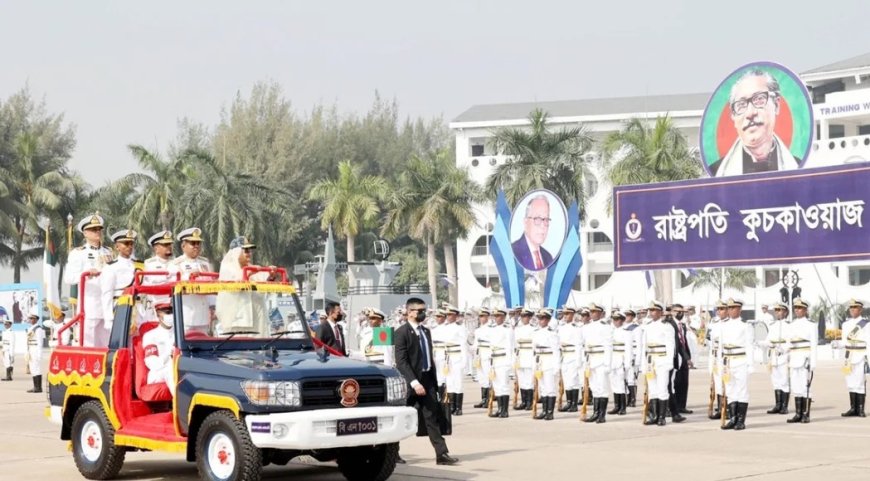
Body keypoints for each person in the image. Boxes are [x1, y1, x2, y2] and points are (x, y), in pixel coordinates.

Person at [394, 297, 458, 466]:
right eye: (420, 310)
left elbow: (428, 357)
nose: (423, 313)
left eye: (424, 310)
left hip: (428, 380)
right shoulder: (401, 332)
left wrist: (435, 382)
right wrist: (414, 383)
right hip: (411, 384)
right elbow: (401, 361)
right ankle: (393, 453)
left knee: (432, 417)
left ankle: (441, 454)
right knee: (401, 419)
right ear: (410, 312)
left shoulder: (426, 331)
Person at [711, 69, 801, 177]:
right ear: (733, 117)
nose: (750, 113)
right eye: (741, 105)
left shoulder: (797, 167)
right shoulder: (717, 172)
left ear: (776, 105)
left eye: (759, 99)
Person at [63, 214, 112, 346]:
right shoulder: (78, 253)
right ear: (85, 233)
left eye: (99, 229)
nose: (97, 232)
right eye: (93, 229)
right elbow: (69, 278)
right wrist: (87, 274)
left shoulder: (109, 252)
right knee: (89, 345)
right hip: (90, 306)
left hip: (108, 306)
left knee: (107, 345)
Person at [168, 228, 213, 334]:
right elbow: (172, 285)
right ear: (183, 246)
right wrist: (188, 277)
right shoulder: (176, 264)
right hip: (186, 315)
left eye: (198, 243)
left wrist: (213, 306)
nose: (196, 246)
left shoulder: (205, 263)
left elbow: (211, 286)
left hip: (203, 315)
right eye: (193, 243)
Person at [718, 299, 754, 430]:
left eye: (734, 307)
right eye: (729, 308)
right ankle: (732, 419)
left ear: (740, 309)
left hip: (741, 361)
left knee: (742, 390)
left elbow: (749, 346)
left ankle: (740, 420)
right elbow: (720, 347)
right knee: (731, 390)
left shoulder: (745, 326)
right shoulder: (723, 325)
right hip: (727, 362)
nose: (731, 310)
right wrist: (720, 364)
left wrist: (750, 365)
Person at [640, 301, 675, 426]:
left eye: (654, 310)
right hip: (650, 361)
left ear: (661, 312)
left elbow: (671, 345)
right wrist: (643, 364)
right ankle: (654, 415)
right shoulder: (647, 326)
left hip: (662, 360)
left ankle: (662, 417)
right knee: (652, 390)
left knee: (662, 389)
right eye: (651, 310)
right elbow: (644, 346)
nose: (652, 312)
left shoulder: (667, 326)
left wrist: (669, 362)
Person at [100, 229, 139, 341]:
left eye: (131, 243)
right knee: (121, 344)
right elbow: (107, 293)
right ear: (117, 247)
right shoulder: (111, 267)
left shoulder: (139, 264)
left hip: (139, 309)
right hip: (121, 308)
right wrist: (108, 318)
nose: (129, 246)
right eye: (126, 244)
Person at [785, 299, 817, 424]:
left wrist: (813, 362)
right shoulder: (791, 325)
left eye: (800, 308)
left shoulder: (811, 325)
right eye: (795, 308)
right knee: (796, 387)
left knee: (805, 387)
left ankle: (805, 414)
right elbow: (788, 343)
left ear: (805, 310)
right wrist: (782, 350)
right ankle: (798, 413)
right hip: (794, 358)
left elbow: (813, 345)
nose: (797, 310)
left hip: (805, 358)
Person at [582, 303, 613, 423]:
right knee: (594, 388)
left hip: (601, 360)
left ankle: (602, 415)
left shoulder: (606, 327)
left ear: (601, 313)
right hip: (591, 360)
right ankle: (595, 413)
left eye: (595, 312)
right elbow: (584, 345)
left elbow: (608, 346)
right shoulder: (586, 327)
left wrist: (607, 363)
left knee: (602, 388)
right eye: (591, 312)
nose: (592, 314)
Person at [838, 299, 868, 417]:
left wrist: (868, 357)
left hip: (860, 355)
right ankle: (853, 408)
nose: (853, 310)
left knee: (859, 382)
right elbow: (845, 341)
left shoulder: (866, 324)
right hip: (848, 356)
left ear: (860, 309)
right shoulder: (845, 324)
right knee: (850, 382)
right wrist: (838, 344)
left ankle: (860, 409)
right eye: (851, 308)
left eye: (855, 307)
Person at [760, 302, 790, 415]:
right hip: (773, 355)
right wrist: (762, 343)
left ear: (785, 312)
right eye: (776, 310)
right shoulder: (772, 325)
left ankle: (784, 406)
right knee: (776, 381)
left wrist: (783, 348)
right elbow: (768, 340)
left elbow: (790, 342)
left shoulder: (789, 326)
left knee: (784, 381)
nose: (777, 312)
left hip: (783, 355)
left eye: (780, 310)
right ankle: (778, 404)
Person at [511, 195, 554, 271]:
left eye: (546, 219)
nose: (543, 225)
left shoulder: (548, 257)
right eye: (537, 219)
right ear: (525, 222)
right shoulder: (513, 252)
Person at [142, 302, 176, 396]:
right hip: (158, 373)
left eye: (172, 311)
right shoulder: (150, 335)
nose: (171, 315)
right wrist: (169, 353)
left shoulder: (180, 333)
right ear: (158, 315)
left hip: (178, 368)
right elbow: (153, 364)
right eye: (167, 312)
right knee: (170, 369)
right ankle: (181, 407)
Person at [532, 309, 560, 421]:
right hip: (540, 361)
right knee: (542, 387)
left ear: (548, 320)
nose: (541, 321)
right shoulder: (535, 333)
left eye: (543, 318)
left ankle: (550, 412)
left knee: (550, 388)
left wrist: (556, 366)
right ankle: (544, 410)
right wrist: (534, 364)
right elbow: (533, 350)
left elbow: (556, 351)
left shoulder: (552, 334)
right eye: (539, 318)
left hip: (549, 361)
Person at [487, 309, 514, 418]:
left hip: (503, 359)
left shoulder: (507, 329)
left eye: (499, 316)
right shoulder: (492, 329)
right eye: (495, 316)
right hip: (495, 359)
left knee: (504, 385)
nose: (497, 318)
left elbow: (510, 346)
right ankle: (499, 409)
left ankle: (505, 410)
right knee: (497, 386)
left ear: (503, 317)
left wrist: (509, 363)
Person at [669, 304, 692, 418]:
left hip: (683, 356)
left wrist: (688, 357)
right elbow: (676, 343)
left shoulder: (682, 325)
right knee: (675, 383)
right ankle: (673, 407)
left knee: (684, 382)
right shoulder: (669, 324)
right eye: (677, 311)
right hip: (674, 356)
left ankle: (682, 405)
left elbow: (684, 342)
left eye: (682, 311)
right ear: (672, 311)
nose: (680, 313)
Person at [557, 307, 582, 413]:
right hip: (564, 356)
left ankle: (574, 404)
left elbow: (578, 346)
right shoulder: (561, 327)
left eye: (568, 314)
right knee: (567, 381)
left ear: (572, 315)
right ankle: (568, 402)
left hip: (572, 355)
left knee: (573, 381)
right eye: (565, 314)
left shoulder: (576, 328)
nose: (565, 316)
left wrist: (578, 360)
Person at [608, 311, 632, 415]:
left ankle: (623, 407)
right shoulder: (611, 331)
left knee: (622, 384)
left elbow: (629, 349)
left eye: (617, 319)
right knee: (614, 383)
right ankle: (616, 406)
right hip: (613, 359)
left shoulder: (626, 332)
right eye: (613, 319)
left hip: (621, 359)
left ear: (622, 320)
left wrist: (627, 363)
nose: (615, 321)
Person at [513, 308, 536, 410]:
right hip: (520, 356)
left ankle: (529, 402)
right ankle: (523, 401)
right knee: (521, 380)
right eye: (522, 316)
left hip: (529, 355)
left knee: (529, 380)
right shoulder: (517, 329)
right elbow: (514, 345)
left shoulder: (534, 329)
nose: (524, 318)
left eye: (526, 316)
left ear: (530, 317)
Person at [472, 309, 493, 409]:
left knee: (488, 377)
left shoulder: (491, 328)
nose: (482, 318)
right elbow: (476, 343)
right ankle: (484, 399)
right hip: (479, 355)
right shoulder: (478, 330)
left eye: (483, 316)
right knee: (481, 377)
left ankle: (488, 399)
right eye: (480, 316)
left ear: (487, 317)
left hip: (487, 355)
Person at [623, 309, 642, 407]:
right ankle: (627, 398)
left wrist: (638, 359)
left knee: (632, 378)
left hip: (633, 354)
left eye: (629, 315)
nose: (627, 317)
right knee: (624, 377)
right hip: (624, 354)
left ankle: (632, 399)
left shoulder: (636, 328)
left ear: (633, 317)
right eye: (626, 315)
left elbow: (639, 344)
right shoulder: (621, 327)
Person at [25, 309, 45, 393]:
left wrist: (39, 354)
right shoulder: (30, 328)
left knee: (37, 368)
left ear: (36, 319)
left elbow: (40, 343)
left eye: (32, 318)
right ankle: (35, 387)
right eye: (30, 318)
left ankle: (39, 387)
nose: (31, 320)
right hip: (31, 349)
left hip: (36, 349)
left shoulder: (38, 329)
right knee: (33, 369)